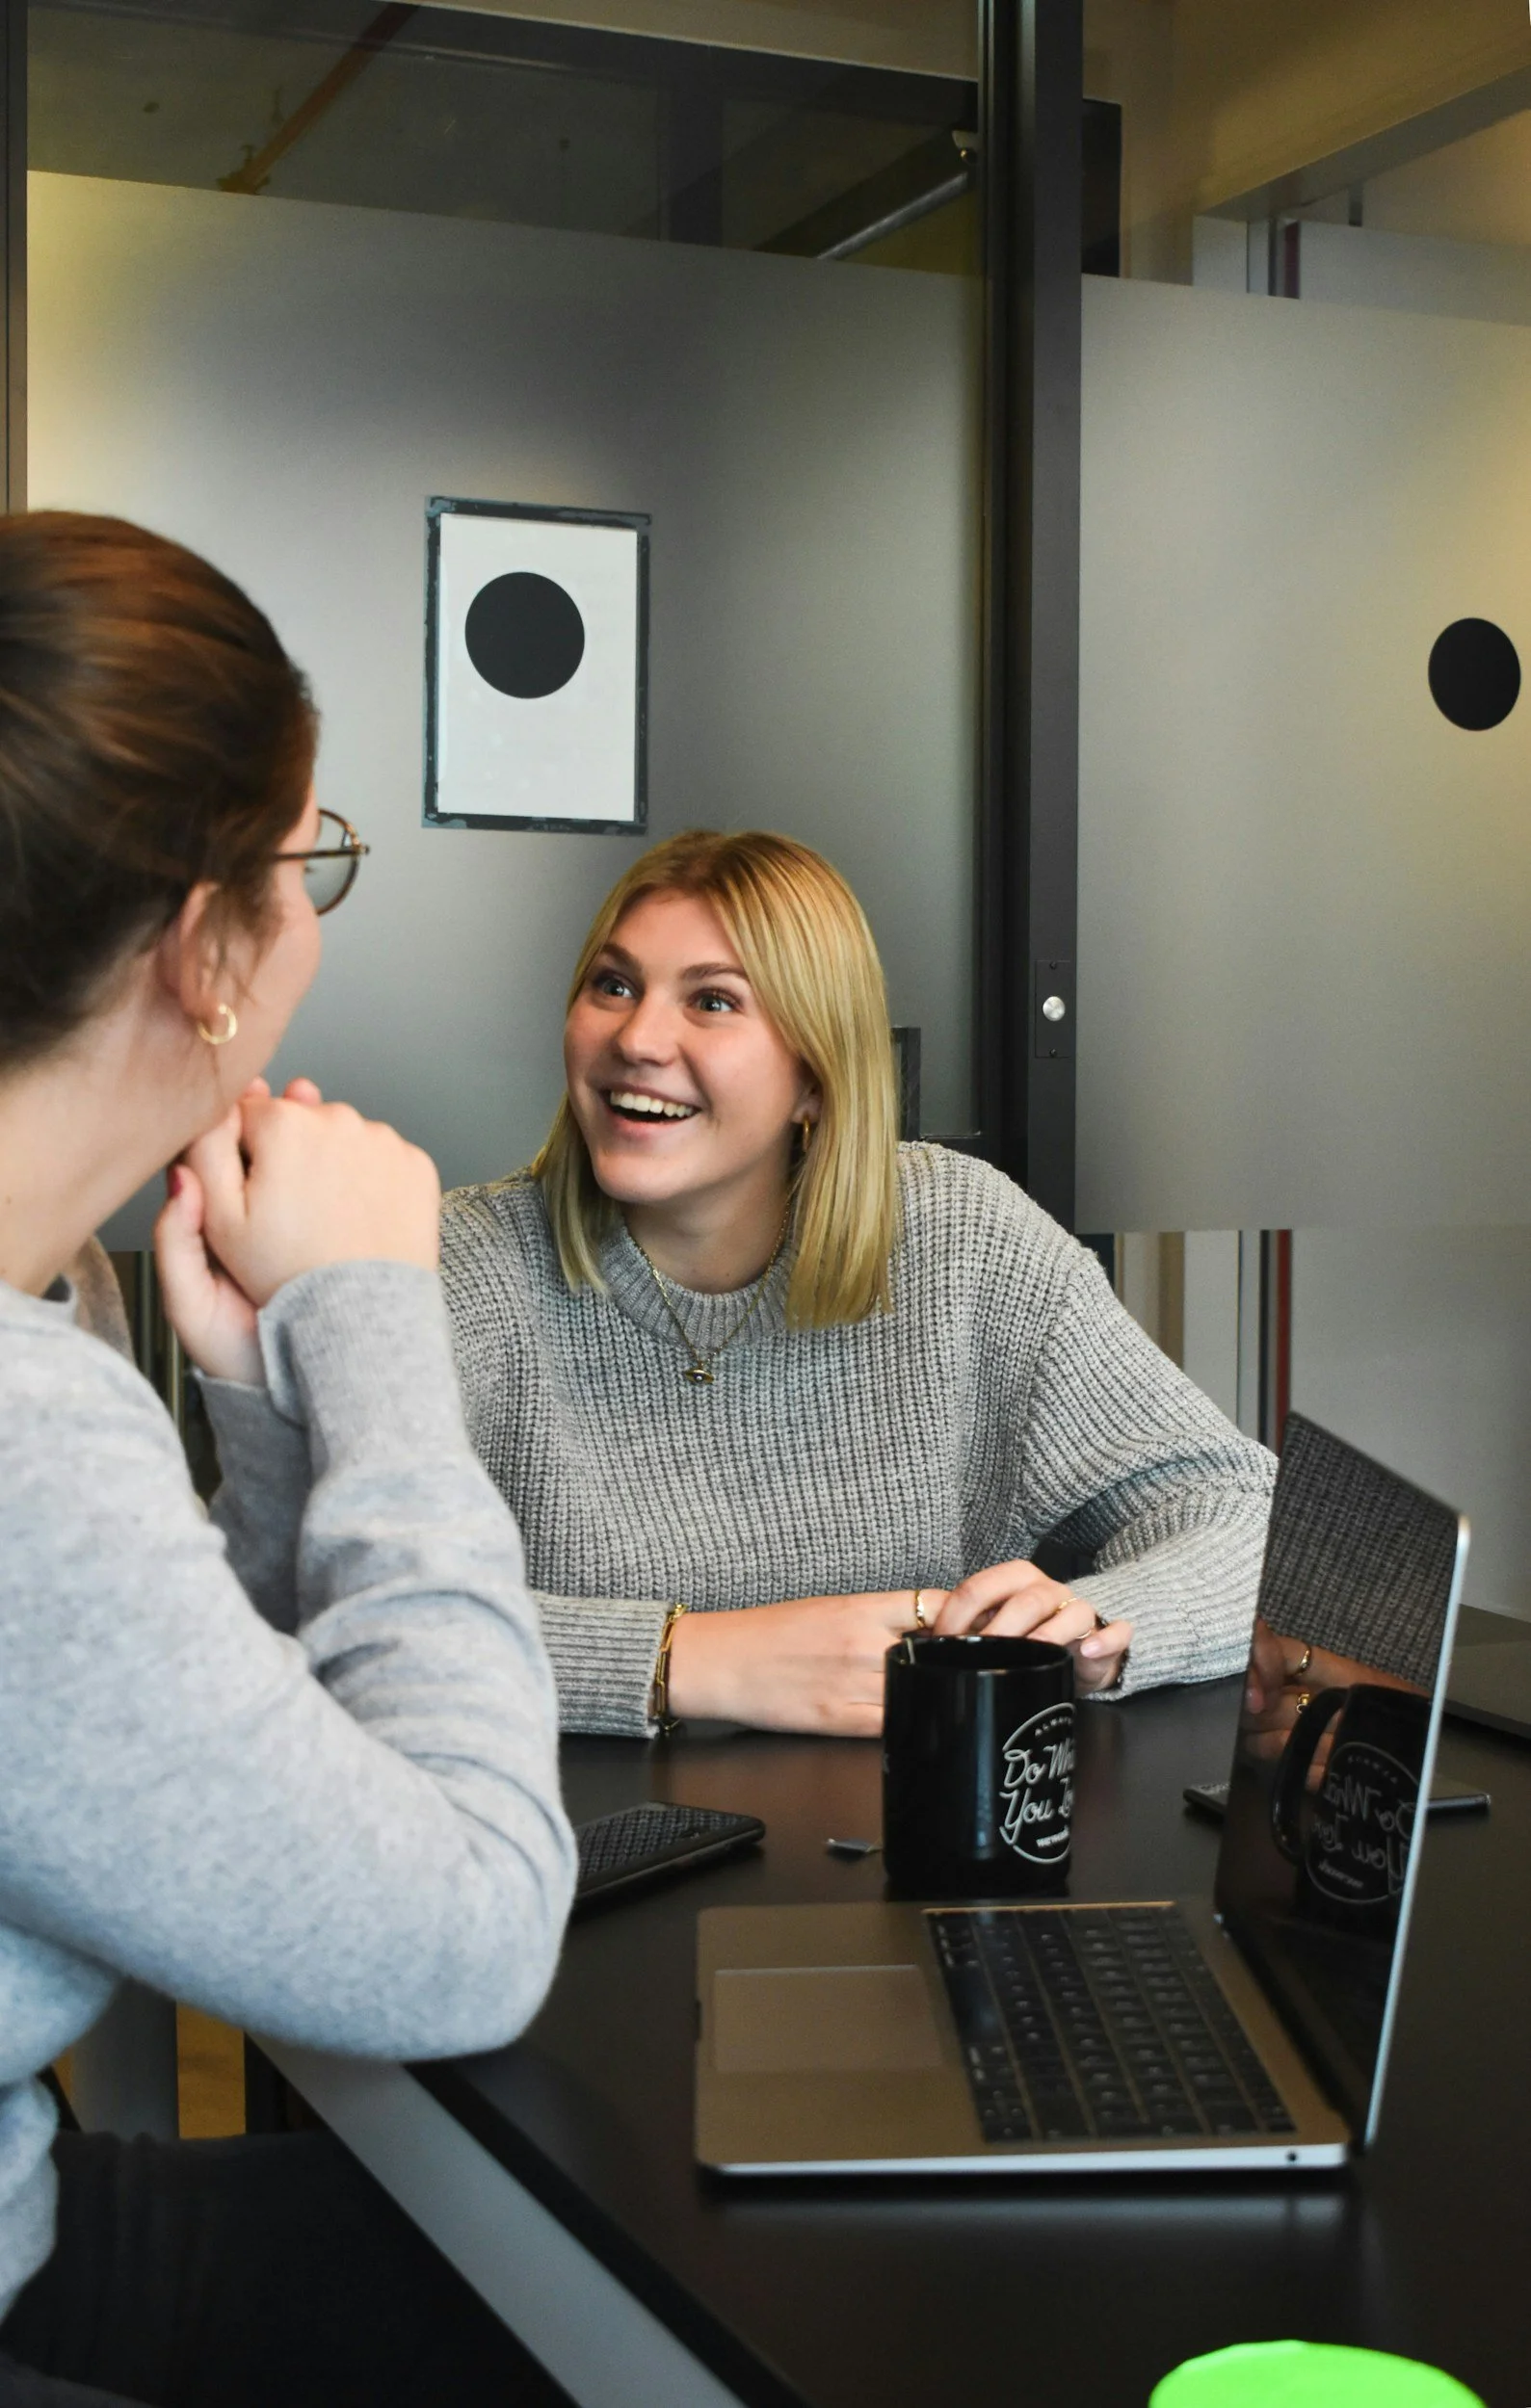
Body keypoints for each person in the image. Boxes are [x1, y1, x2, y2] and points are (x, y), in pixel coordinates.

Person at [0, 511, 575, 2408]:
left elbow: (167, 1759)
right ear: (202, 952)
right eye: (302, 862)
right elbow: (467, 1927)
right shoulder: (18, 1432)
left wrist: (253, 1403)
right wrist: (371, 1318)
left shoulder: (52, 1318)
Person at [440, 828, 1277, 1739]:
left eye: (713, 1001)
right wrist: (689, 1659)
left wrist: (1103, 1624)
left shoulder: (957, 1235)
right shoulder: (460, 1268)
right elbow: (314, 1619)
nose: (637, 1038)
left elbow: (1241, 1513)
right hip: (591, 1859)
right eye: (614, 986)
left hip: (922, 1850)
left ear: (814, 1078)